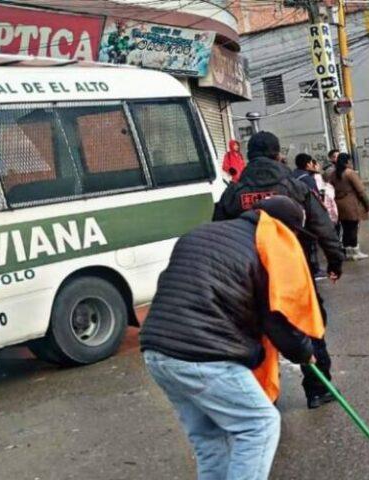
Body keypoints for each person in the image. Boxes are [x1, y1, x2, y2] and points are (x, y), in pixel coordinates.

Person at [140, 195, 322, 480]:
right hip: (204, 355)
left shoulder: (205, 231)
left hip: (157, 350)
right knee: (259, 425)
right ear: (283, 229)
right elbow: (277, 317)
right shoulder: (267, 248)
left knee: (211, 439)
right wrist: (304, 353)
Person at [213, 132, 344, 410]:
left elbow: (219, 234)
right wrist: (335, 261)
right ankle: (318, 389)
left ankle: (264, 397)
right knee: (308, 326)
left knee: (256, 335)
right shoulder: (293, 186)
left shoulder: (233, 191)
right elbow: (323, 226)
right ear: (277, 154)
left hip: (249, 276)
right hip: (293, 269)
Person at [326, 152, 369, 261]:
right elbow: (361, 191)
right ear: (347, 161)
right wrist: (368, 206)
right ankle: (356, 252)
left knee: (346, 228)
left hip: (339, 203)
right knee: (353, 228)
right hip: (351, 204)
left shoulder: (333, 174)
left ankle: (347, 252)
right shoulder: (349, 173)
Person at [293, 153, 324, 278]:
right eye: (312, 162)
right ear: (308, 164)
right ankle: (314, 269)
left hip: (296, 213)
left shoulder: (293, 175)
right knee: (311, 242)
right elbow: (314, 197)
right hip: (307, 214)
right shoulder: (307, 179)